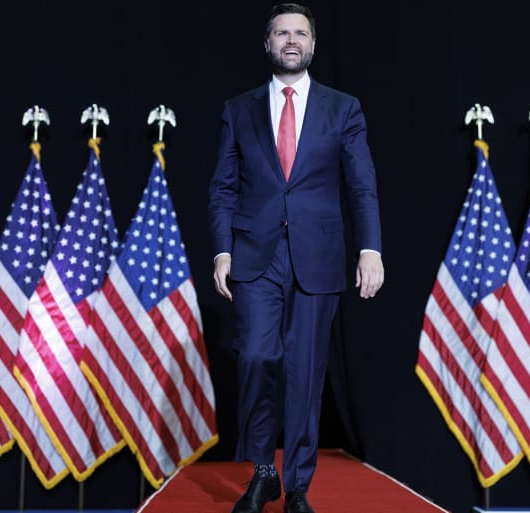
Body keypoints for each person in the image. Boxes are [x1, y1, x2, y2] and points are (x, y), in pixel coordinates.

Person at [208, 3, 384, 513]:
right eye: (281, 32)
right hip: (254, 257)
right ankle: (263, 472)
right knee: (259, 358)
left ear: (311, 44)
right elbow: (221, 188)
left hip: (319, 255)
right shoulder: (238, 109)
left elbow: (362, 184)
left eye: (300, 32)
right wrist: (222, 251)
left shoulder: (343, 107)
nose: (291, 40)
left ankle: (298, 487)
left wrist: (370, 247)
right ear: (267, 43)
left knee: (306, 374)